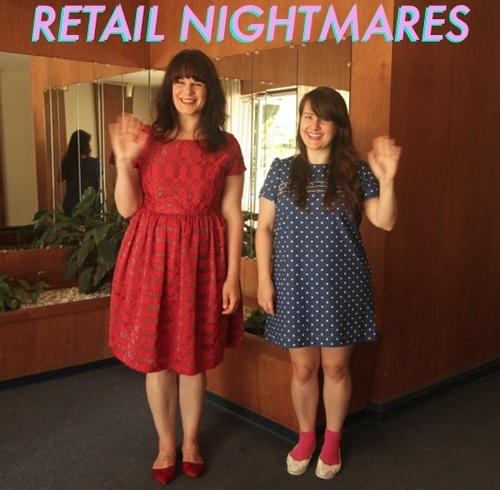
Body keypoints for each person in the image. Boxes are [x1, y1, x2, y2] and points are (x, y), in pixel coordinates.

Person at [108, 49, 245, 485]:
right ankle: (166, 444)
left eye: (197, 82)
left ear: (210, 90)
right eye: (180, 81)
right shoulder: (148, 138)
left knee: (192, 360)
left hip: (203, 258)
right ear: (170, 87)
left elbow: (232, 213)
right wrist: (123, 160)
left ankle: (191, 442)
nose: (188, 91)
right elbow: (128, 208)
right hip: (151, 256)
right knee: (157, 359)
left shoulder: (226, 145)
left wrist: (233, 276)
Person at [255, 87, 401, 480]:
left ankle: (332, 441)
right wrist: (264, 279)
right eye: (307, 116)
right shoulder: (282, 169)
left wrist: (387, 180)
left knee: (335, 368)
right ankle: (306, 437)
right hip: (294, 285)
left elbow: (385, 221)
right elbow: (264, 228)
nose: (314, 125)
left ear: (338, 125)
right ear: (299, 122)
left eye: (323, 117)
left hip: (343, 285)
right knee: (303, 368)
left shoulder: (356, 171)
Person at [60, 129, 100, 215]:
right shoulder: (94, 163)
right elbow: (101, 185)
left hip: (70, 205)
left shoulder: (67, 163)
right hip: (89, 207)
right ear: (85, 146)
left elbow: (61, 180)